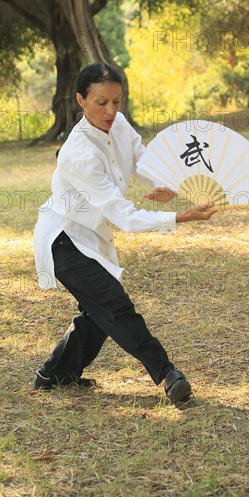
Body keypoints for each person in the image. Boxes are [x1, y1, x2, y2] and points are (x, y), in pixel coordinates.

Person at [33, 63, 216, 404]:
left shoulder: (118, 124)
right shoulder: (79, 154)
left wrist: (165, 184)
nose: (111, 111)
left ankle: (54, 374)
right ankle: (167, 373)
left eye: (117, 101)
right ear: (80, 100)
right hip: (65, 243)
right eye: (101, 103)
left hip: (92, 239)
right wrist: (181, 217)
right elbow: (125, 217)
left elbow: (141, 159)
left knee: (99, 313)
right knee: (114, 307)